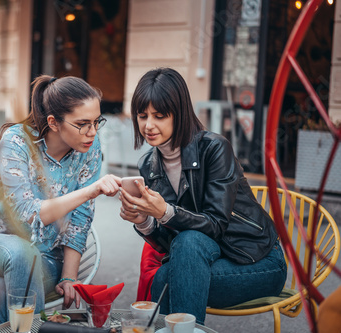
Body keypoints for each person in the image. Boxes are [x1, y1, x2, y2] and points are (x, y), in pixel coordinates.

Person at [119, 68, 287, 325]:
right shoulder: (149, 166)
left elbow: (216, 224)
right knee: (177, 257)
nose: (148, 125)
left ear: (180, 113)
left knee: (171, 271)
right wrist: (144, 221)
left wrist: (165, 212)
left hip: (259, 262)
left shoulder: (214, 149)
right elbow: (169, 245)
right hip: (204, 257)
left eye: (159, 116)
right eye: (142, 116)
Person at [0, 75, 121, 332]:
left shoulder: (90, 148)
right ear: (53, 122)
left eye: (96, 122)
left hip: (45, 258)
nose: (92, 132)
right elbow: (28, 212)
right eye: (83, 124)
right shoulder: (17, 141)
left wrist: (70, 276)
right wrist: (90, 191)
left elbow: (81, 218)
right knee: (21, 253)